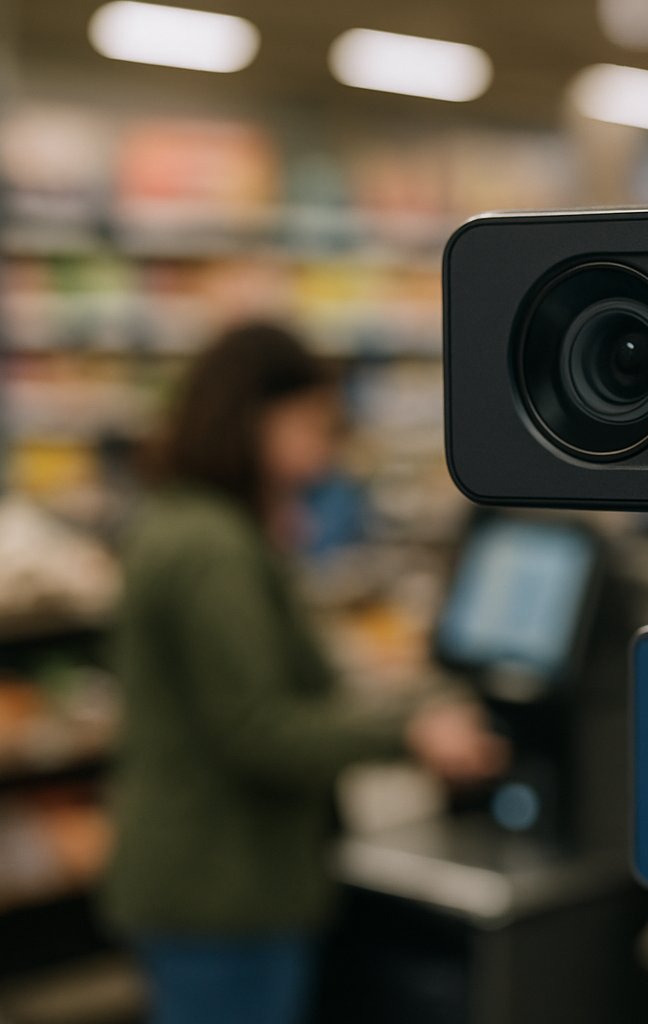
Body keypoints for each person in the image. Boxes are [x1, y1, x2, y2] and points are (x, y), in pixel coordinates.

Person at [104, 323, 508, 1024]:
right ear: (255, 416)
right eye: (313, 425)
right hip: (222, 895)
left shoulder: (196, 521)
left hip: (205, 882)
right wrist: (411, 729)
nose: (324, 453)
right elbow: (258, 730)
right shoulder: (212, 547)